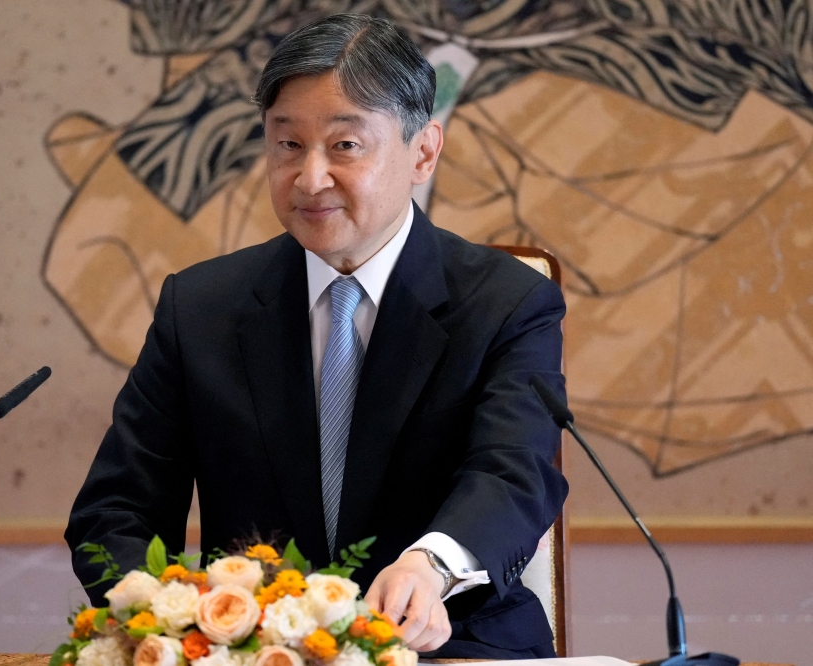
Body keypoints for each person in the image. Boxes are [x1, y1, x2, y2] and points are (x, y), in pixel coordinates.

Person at [65, 14, 568, 660]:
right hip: (251, 656)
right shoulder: (200, 308)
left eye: (345, 146)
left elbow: (513, 471)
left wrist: (431, 567)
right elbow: (115, 513)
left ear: (423, 152)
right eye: (287, 145)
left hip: (453, 646)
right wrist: (169, 627)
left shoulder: (507, 302)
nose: (309, 178)